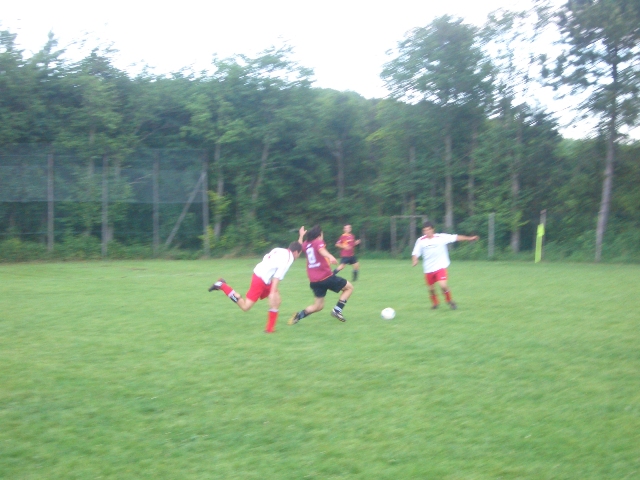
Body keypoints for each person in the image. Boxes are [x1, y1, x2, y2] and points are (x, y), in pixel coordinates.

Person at [208, 237, 303, 333]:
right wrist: (272, 293)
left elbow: (269, 258)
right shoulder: (288, 259)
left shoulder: (280, 250)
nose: (299, 256)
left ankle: (269, 330)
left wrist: (301, 237)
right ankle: (222, 285)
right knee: (245, 307)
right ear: (296, 253)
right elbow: (277, 277)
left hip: (265, 277)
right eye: (299, 254)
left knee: (277, 301)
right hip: (260, 279)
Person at [289, 225, 354, 324]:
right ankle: (337, 310)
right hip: (326, 277)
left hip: (314, 281)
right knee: (349, 288)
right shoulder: (318, 242)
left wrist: (301, 236)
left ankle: (298, 316)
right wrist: (330, 256)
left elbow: (299, 246)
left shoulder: (306, 244)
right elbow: (321, 250)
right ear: (319, 235)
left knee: (318, 306)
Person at [411, 221, 479, 310]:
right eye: (425, 230)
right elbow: (415, 253)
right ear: (423, 231)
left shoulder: (441, 237)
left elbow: (456, 237)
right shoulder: (420, 241)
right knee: (431, 289)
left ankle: (449, 301)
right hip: (428, 269)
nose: (427, 232)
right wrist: (415, 260)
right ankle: (435, 303)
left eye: (429, 230)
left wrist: (469, 238)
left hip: (440, 266)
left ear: (433, 229)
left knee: (443, 285)